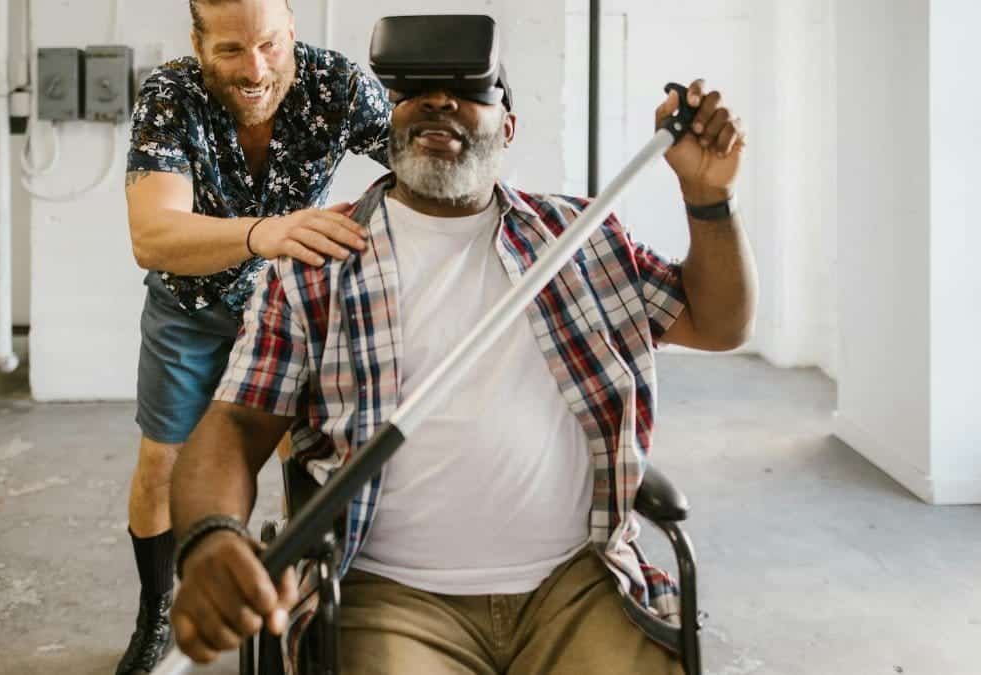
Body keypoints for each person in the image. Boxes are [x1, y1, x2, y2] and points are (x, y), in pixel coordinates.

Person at [167, 48, 756, 673]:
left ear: (507, 127)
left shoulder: (580, 236)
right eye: (414, 88)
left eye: (470, 88)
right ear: (390, 121)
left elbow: (719, 324)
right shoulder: (317, 259)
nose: (439, 99)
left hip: (577, 585)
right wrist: (210, 539)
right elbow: (235, 424)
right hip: (390, 600)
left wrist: (708, 197)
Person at [118, 0, 391, 671]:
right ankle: (156, 609)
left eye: (269, 45)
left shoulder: (340, 87)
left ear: (292, 32)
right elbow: (152, 235)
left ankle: (300, 611)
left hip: (292, 310)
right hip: (190, 309)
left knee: (308, 466)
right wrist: (259, 233)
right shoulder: (170, 96)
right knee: (162, 465)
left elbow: (421, 164)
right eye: (232, 51)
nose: (256, 68)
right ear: (198, 43)